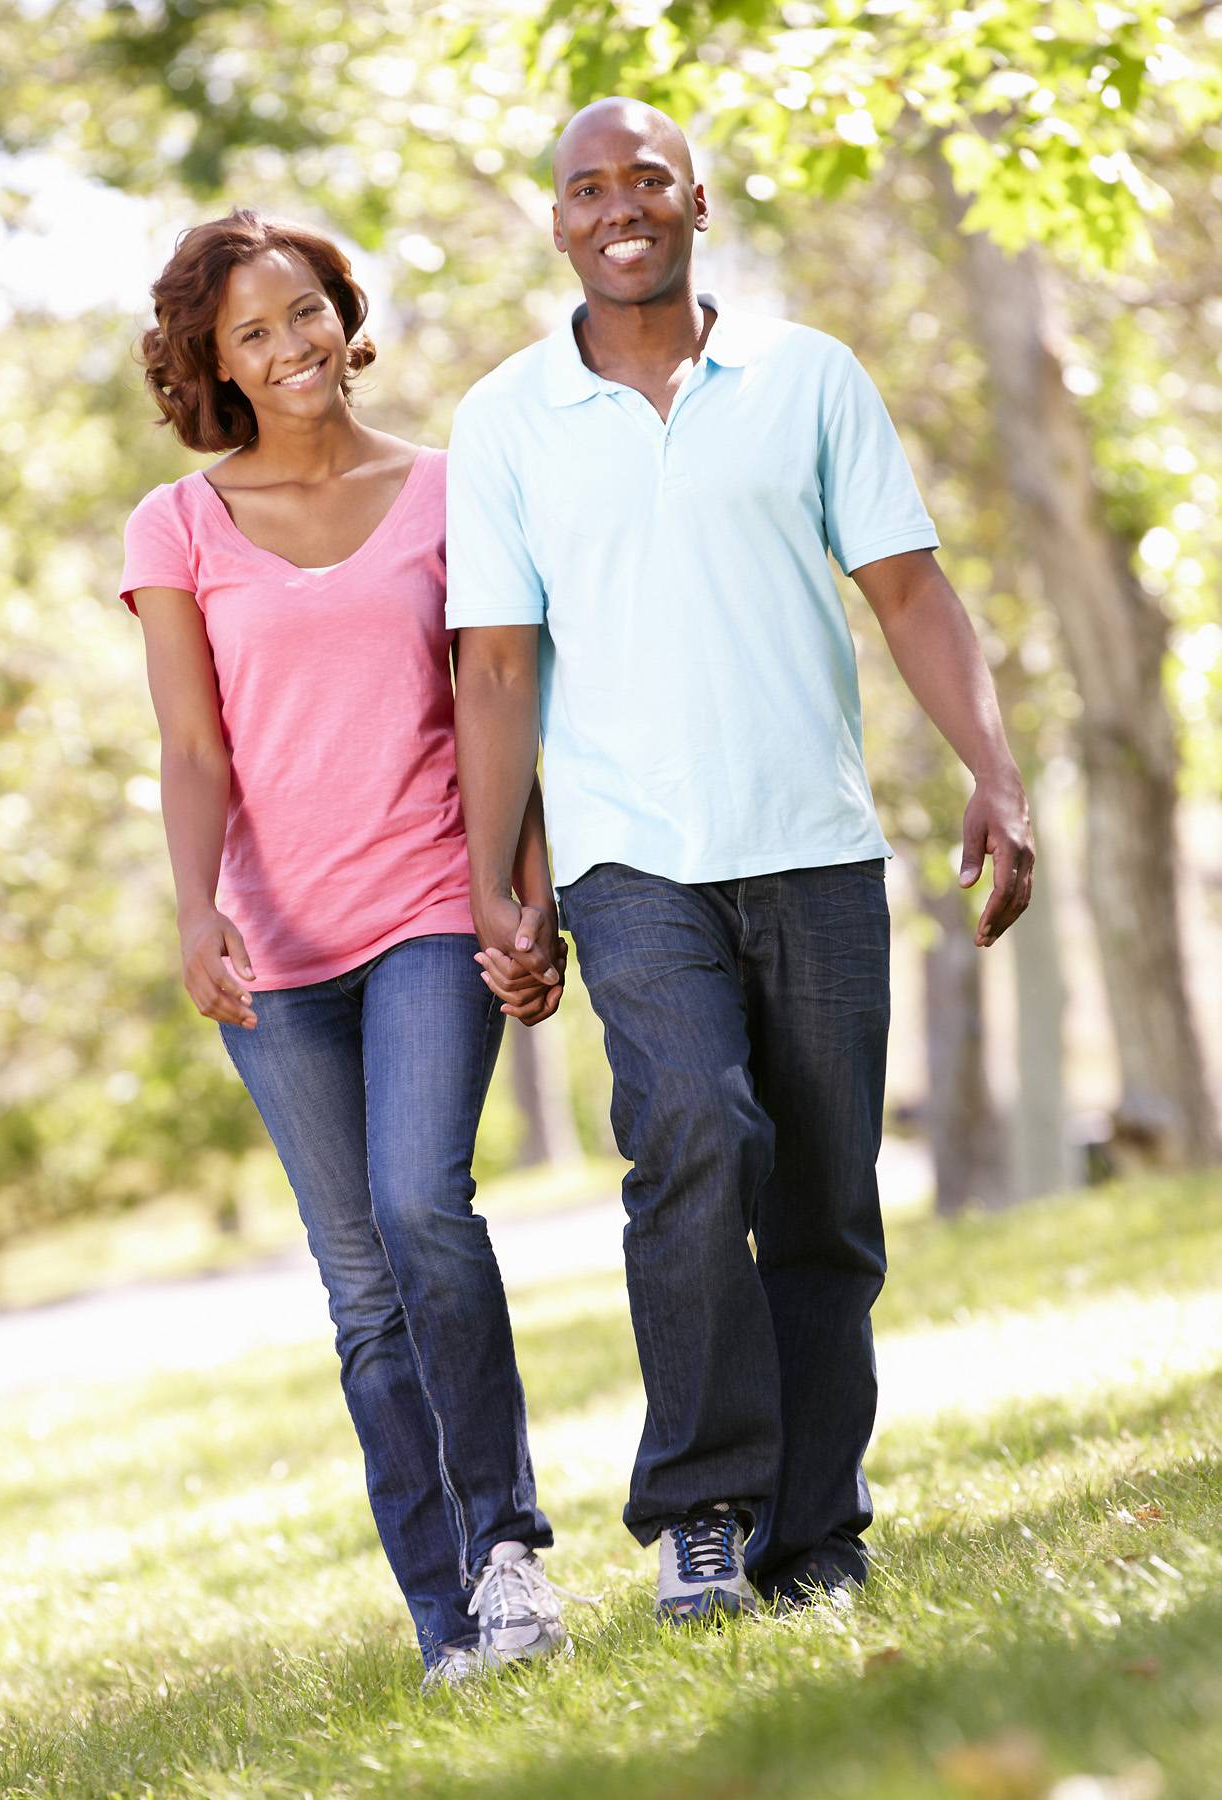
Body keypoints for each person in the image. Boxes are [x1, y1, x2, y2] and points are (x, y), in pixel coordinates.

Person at [446, 100, 1034, 1624]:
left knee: (828, 1201)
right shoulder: (508, 418)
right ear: (558, 222)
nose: (619, 204)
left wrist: (996, 770)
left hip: (820, 852)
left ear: (697, 198)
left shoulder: (808, 377)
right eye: (587, 186)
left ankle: (815, 1531)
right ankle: (703, 1508)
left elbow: (909, 592)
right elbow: (499, 668)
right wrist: (493, 880)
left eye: (647, 177)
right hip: (633, 863)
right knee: (696, 1133)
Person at [119, 208, 573, 1688]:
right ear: (215, 364)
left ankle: (508, 1553)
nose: (293, 344)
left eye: (306, 310)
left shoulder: (452, 489)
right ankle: (448, 1617)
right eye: (254, 331)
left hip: (432, 903)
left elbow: (502, 699)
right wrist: (197, 910)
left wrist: (525, 887)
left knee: (419, 1205)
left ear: (343, 311)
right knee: (358, 1280)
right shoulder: (177, 526)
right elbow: (193, 747)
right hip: (282, 947)